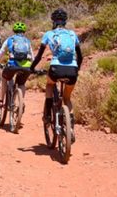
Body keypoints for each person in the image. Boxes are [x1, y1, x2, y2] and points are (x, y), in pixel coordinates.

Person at [30, 8, 83, 141]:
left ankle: (47, 114)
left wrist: (32, 67)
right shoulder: (72, 34)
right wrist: (77, 69)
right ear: (65, 21)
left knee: (49, 85)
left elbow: (39, 56)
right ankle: (70, 128)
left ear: (53, 21)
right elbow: (80, 56)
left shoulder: (48, 34)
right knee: (67, 98)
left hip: (55, 68)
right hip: (72, 70)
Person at [0, 22, 34, 109]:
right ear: (24, 31)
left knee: (4, 78)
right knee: (21, 84)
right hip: (26, 67)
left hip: (13, 65)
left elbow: (1, 52)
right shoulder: (27, 41)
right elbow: (32, 57)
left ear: (14, 31)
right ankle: (21, 103)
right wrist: (32, 67)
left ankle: (1, 100)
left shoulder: (9, 39)